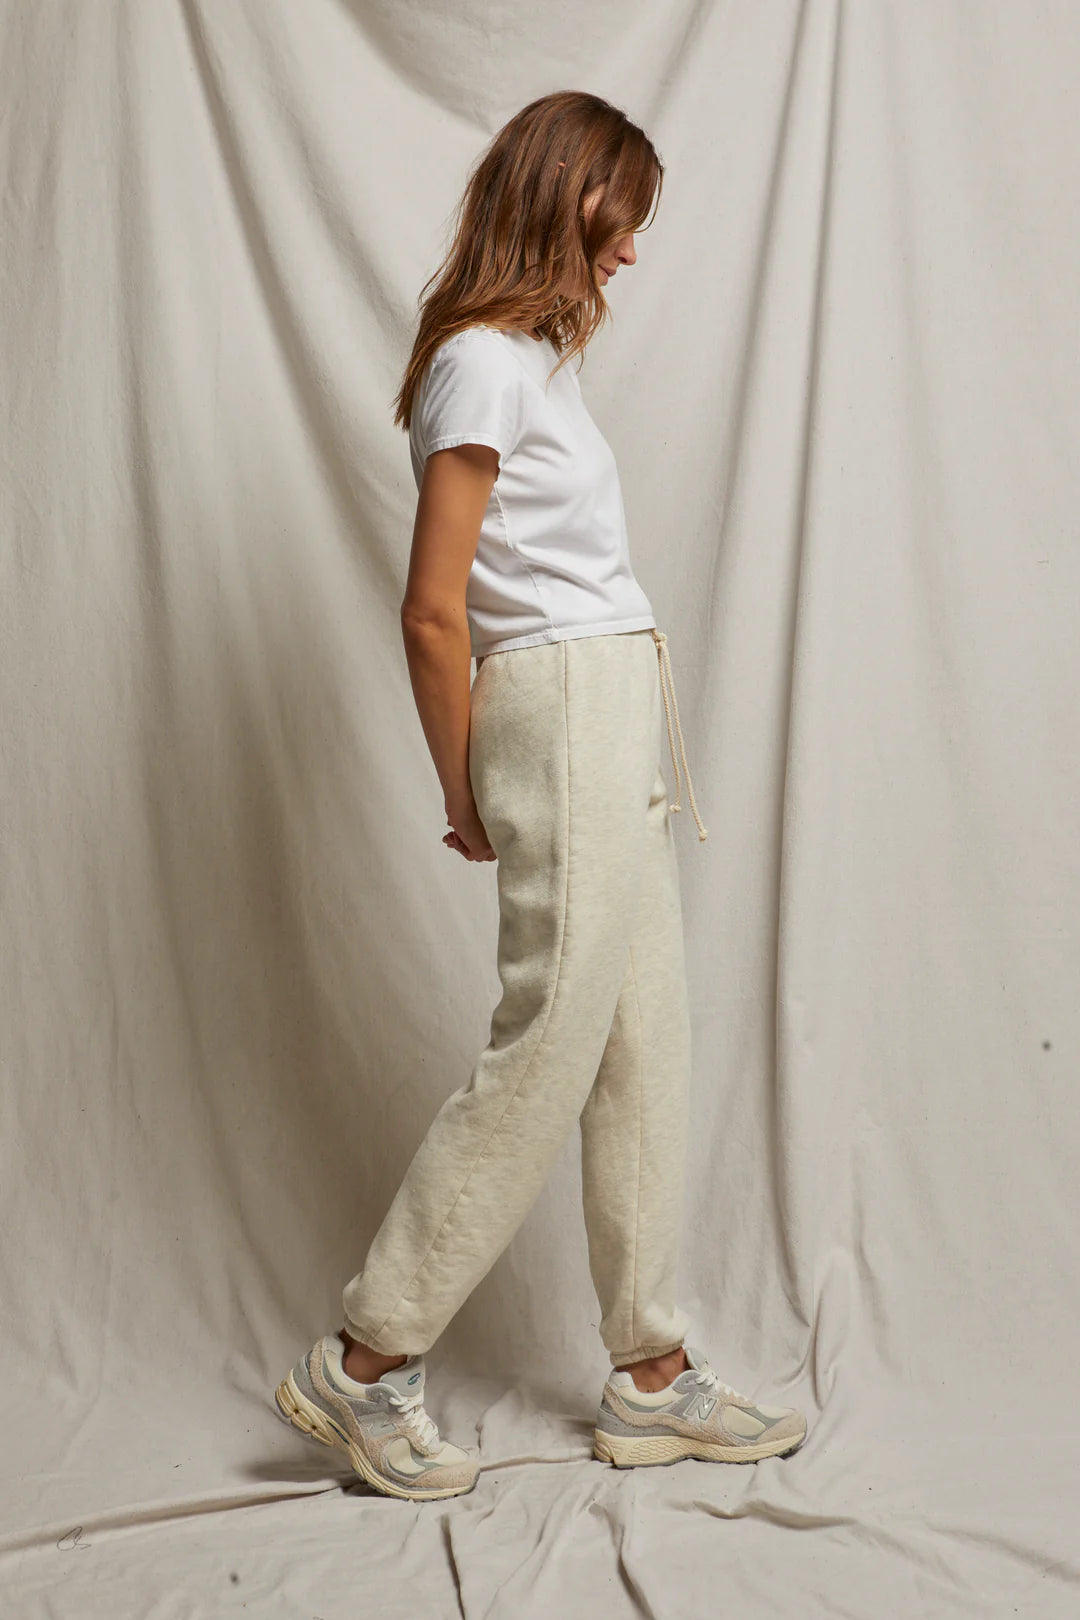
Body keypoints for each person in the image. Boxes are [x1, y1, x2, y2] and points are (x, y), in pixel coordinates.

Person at [273, 90, 806, 1501]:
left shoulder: (531, 364)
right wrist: (463, 787)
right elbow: (432, 611)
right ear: (569, 202)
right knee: (547, 1050)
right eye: (621, 223)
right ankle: (366, 1362)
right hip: (558, 709)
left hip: (611, 706)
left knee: (644, 1049)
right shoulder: (480, 368)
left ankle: (649, 1379)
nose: (631, 255)